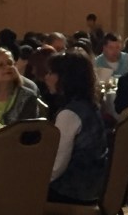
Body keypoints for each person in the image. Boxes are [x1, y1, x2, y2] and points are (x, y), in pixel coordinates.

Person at [46, 49, 108, 205]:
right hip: (95, 186)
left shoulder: (69, 114)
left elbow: (57, 167)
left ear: (65, 78)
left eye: (51, 72)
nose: (47, 77)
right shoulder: (90, 106)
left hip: (74, 191)